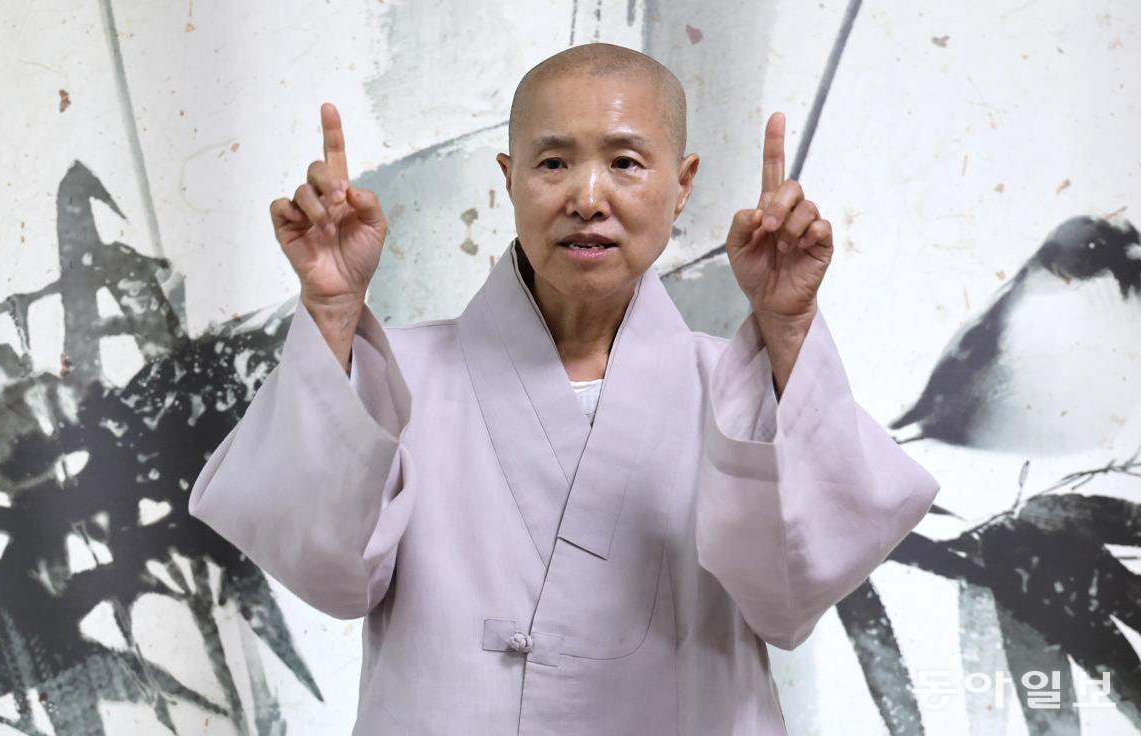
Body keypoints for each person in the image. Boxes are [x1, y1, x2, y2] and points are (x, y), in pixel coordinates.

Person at [188, 42, 940, 734]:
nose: (587, 197)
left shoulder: (739, 396)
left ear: (682, 186)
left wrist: (788, 322)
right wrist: (331, 307)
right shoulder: (398, 379)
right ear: (508, 179)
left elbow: (792, 592)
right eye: (553, 164)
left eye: (625, 162)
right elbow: (325, 571)